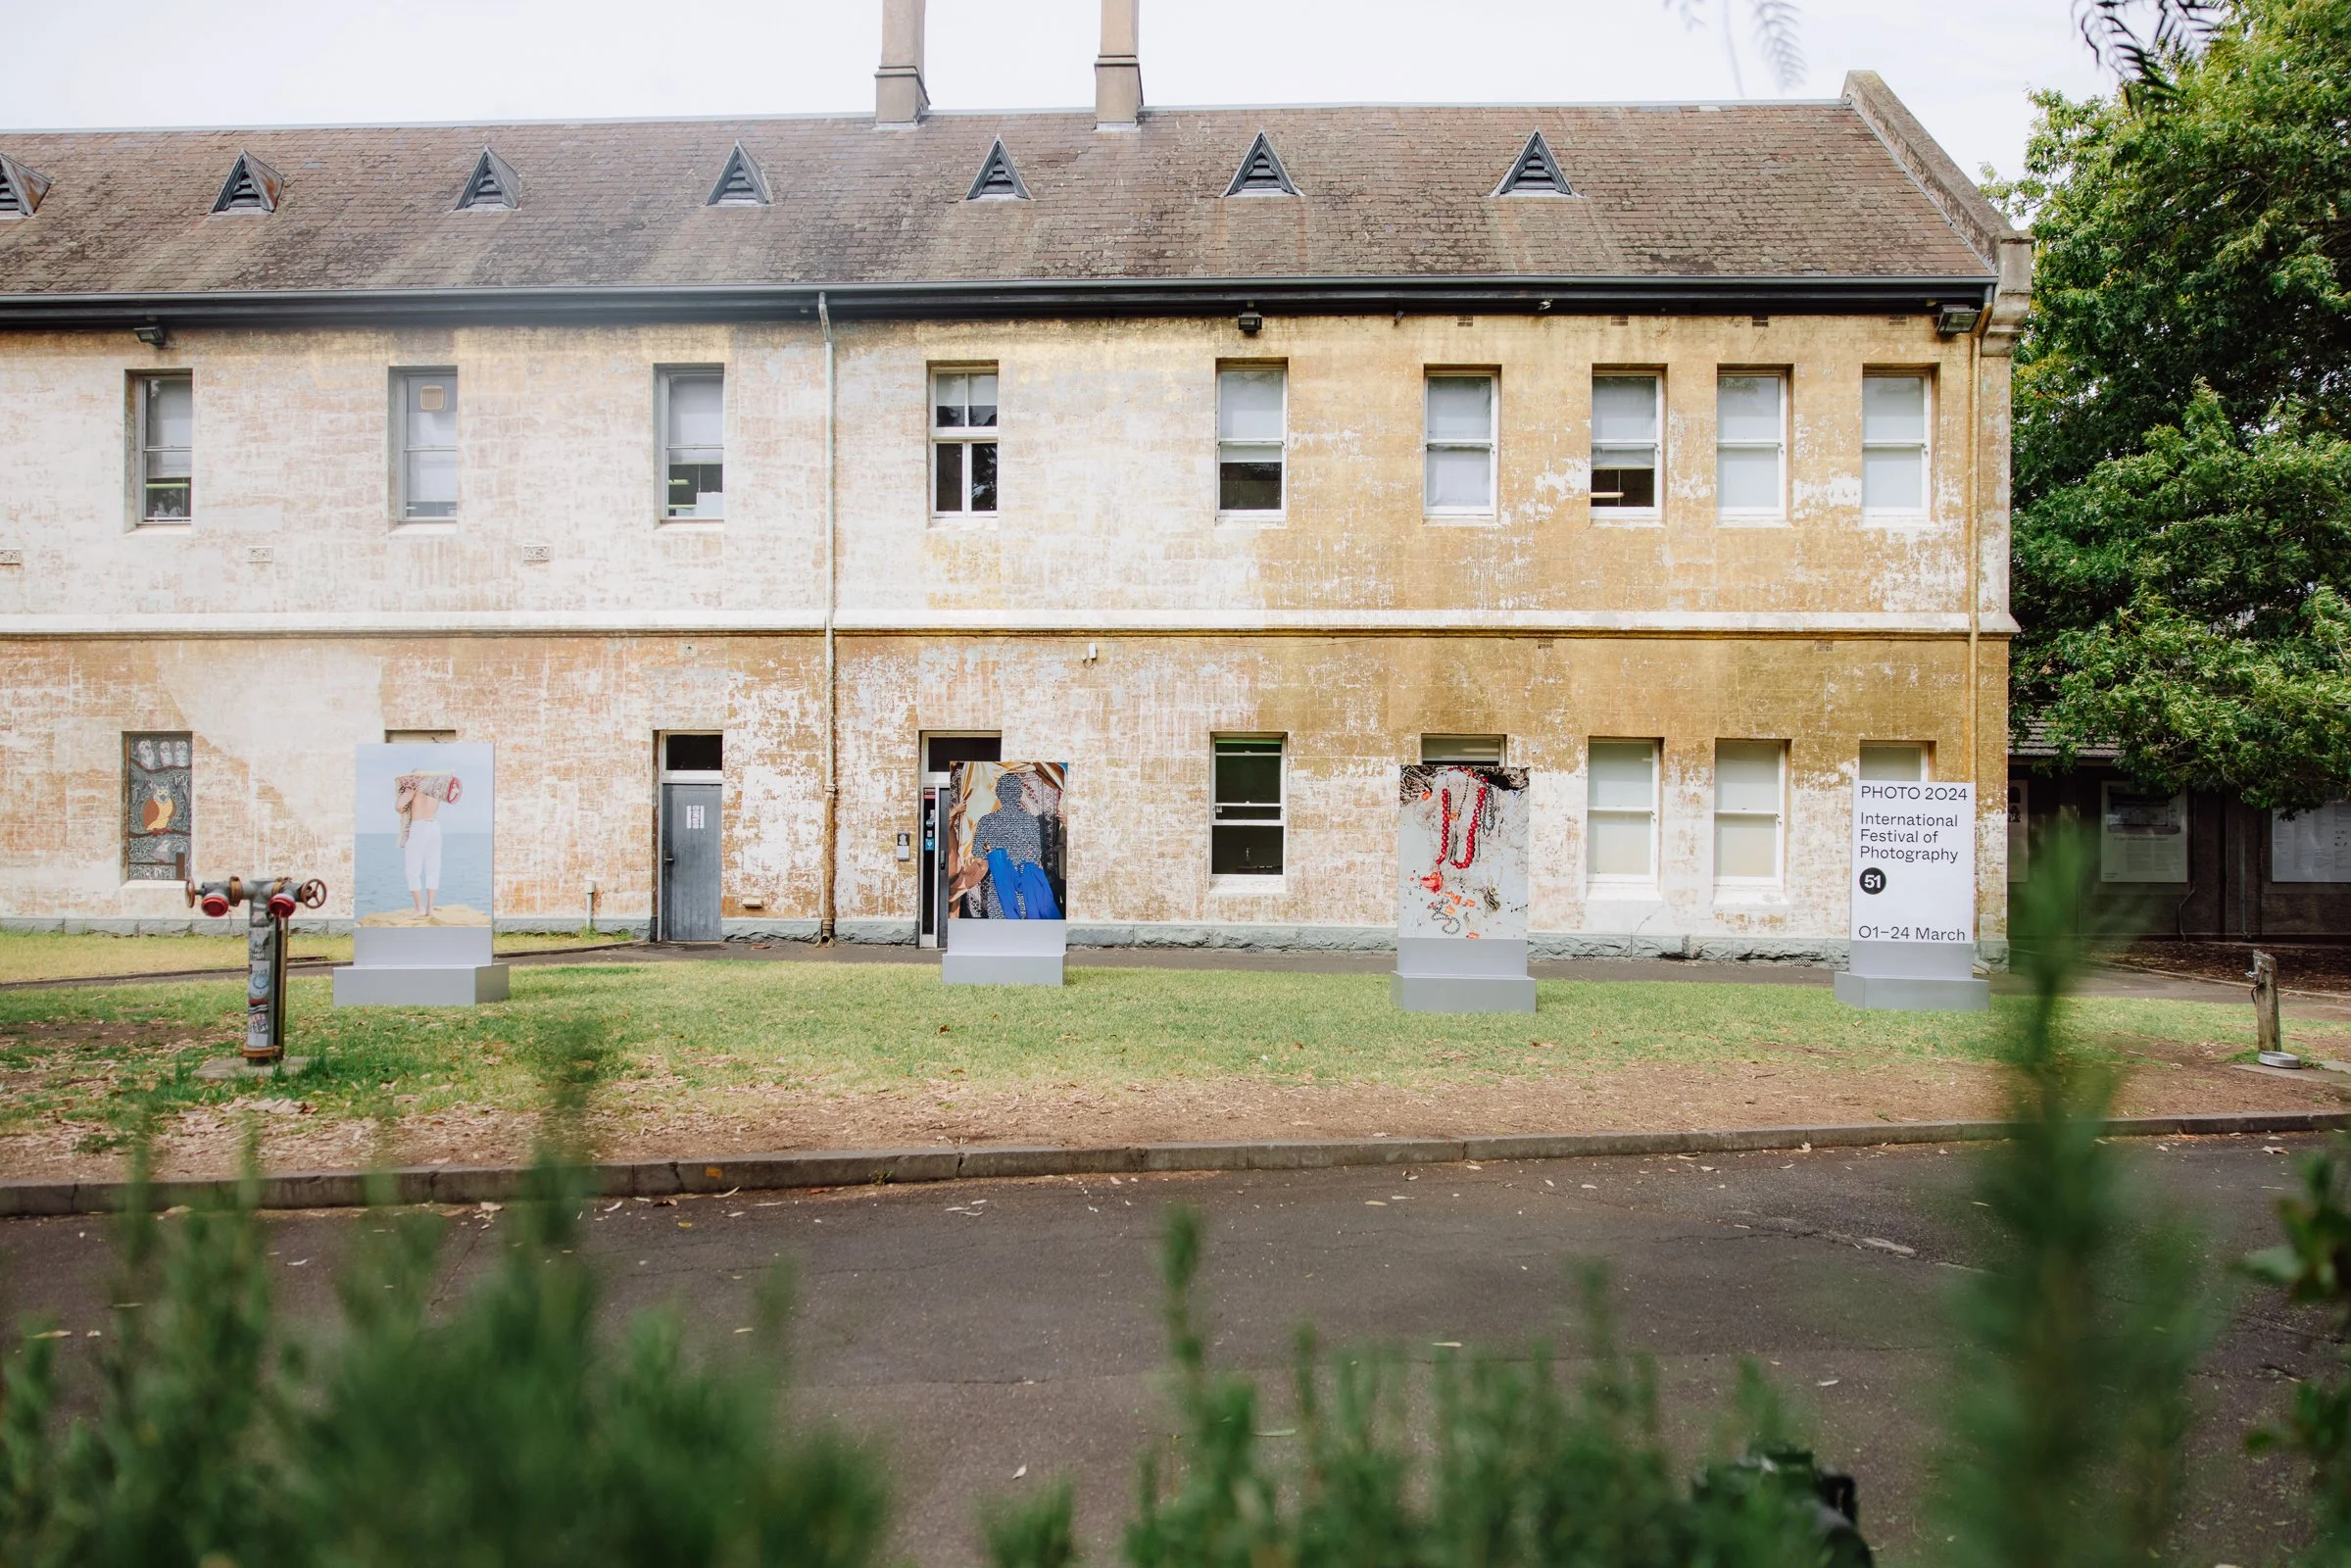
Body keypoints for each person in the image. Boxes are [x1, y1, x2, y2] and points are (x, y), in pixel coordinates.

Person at [968, 771, 1059, 919]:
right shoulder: (1030, 821)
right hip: (1023, 886)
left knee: (999, 931)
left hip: (999, 886)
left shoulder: (986, 821)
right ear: (1019, 793)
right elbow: (1036, 854)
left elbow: (978, 853)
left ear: (998, 793)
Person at [395, 771, 456, 917]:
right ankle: (430, 908)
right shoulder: (435, 791)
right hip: (434, 827)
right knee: (433, 868)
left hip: (418, 827)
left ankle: (419, 908)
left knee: (413, 870)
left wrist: (405, 806)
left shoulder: (413, 787)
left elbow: (399, 806)